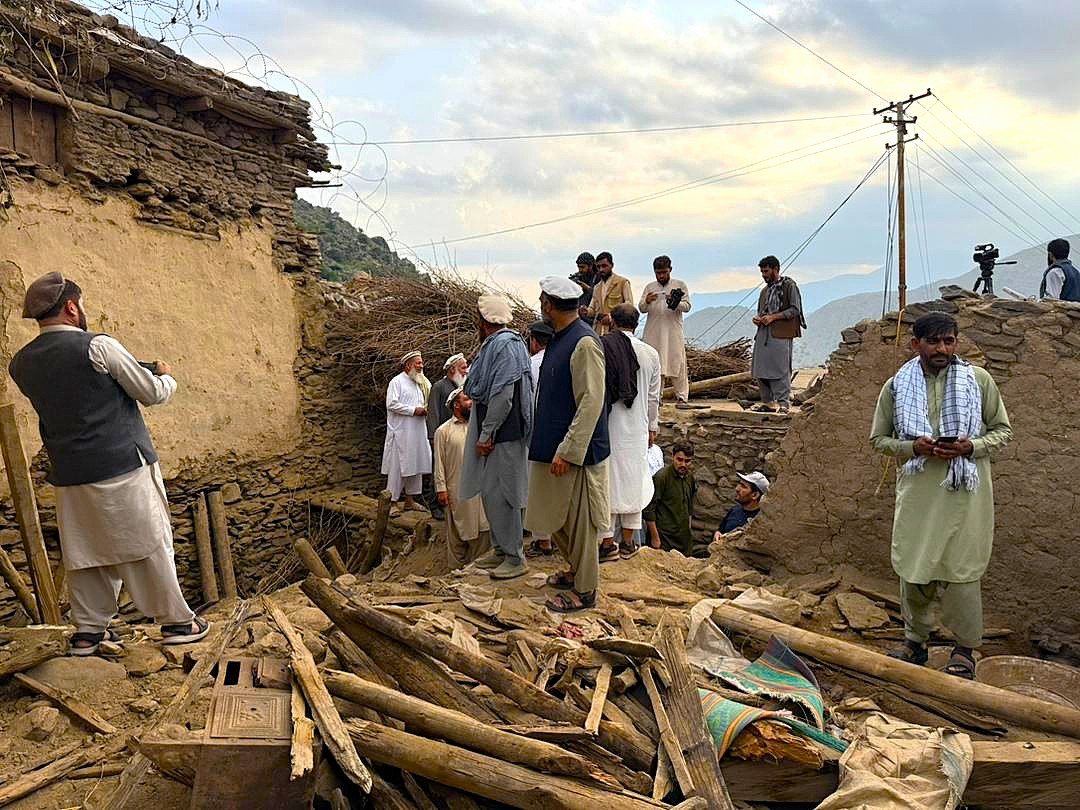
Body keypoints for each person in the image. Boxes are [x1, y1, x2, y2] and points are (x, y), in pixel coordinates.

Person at [8, 272, 207, 656]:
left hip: (69, 473)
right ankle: (179, 622)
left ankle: (89, 632)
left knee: (85, 552)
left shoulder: (21, 364)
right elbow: (148, 393)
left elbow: (70, 393)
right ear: (71, 307)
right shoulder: (99, 346)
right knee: (149, 541)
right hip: (123, 463)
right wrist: (166, 377)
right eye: (80, 304)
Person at [870, 312, 1013, 680]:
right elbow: (879, 440)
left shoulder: (978, 381)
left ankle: (965, 648)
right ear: (914, 344)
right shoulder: (896, 387)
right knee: (914, 569)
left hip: (965, 497)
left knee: (963, 572)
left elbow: (1002, 431)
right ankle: (915, 641)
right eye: (933, 341)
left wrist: (971, 446)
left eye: (949, 341)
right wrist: (912, 447)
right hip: (919, 495)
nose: (942, 349)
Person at [526, 276, 610, 612]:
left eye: (542, 300)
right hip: (553, 447)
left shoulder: (584, 343)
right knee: (555, 517)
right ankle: (576, 571)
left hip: (576, 454)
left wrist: (568, 450)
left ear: (549, 304)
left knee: (579, 523)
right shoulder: (563, 339)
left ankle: (586, 590)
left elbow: (591, 401)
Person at [460, 295, 533, 580]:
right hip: (496, 433)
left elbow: (502, 396)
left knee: (505, 495)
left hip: (504, 433)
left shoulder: (504, 346)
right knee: (491, 493)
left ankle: (515, 557)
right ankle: (501, 549)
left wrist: (487, 433)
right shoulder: (498, 345)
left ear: (484, 321)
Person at [599, 304, 661, 562]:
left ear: (612, 320)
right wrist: (652, 427)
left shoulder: (603, 347)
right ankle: (627, 542)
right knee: (633, 480)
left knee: (608, 479)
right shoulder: (651, 354)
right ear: (637, 323)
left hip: (609, 424)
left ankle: (606, 542)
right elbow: (653, 397)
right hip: (638, 428)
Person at [434, 388, 489, 569]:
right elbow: (439, 462)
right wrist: (441, 488)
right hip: (455, 490)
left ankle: (477, 571)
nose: (471, 403)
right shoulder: (443, 431)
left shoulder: (480, 427)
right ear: (456, 405)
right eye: (467, 399)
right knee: (457, 533)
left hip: (480, 489)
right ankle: (455, 571)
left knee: (483, 527)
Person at [751, 255, 805, 413]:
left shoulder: (789, 286)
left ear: (776, 269)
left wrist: (774, 317)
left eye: (766, 271)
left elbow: (795, 309)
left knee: (780, 369)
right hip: (763, 333)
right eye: (762, 272)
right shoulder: (765, 291)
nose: (764, 275)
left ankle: (783, 403)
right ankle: (767, 402)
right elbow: (762, 311)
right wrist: (759, 319)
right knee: (760, 369)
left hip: (780, 334)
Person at [382, 350, 432, 512]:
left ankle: (410, 500)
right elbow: (391, 404)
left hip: (417, 432)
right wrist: (413, 410)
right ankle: (393, 502)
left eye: (421, 362)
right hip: (402, 433)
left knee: (415, 465)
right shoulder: (397, 382)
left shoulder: (420, 383)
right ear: (408, 365)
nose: (421, 366)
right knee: (398, 467)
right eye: (418, 363)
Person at [640, 255, 692, 406]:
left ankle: (682, 397)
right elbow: (642, 308)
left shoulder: (680, 285)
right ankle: (656, 398)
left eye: (664, 272)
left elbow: (687, 306)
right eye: (658, 273)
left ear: (670, 270)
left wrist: (675, 302)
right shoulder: (650, 287)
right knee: (655, 363)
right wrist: (647, 301)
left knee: (678, 362)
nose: (661, 276)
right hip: (653, 331)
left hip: (673, 331)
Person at [525, 320, 556, 558]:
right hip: (559, 432)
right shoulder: (561, 361)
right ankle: (557, 538)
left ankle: (542, 540)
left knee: (535, 486)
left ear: (534, 342)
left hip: (534, 433)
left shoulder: (530, 365)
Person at [425, 352, 468, 519]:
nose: (466, 370)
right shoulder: (439, 387)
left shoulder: (462, 387)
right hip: (442, 436)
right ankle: (434, 505)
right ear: (452, 370)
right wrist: (432, 437)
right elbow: (433, 412)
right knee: (439, 469)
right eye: (463, 367)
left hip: (458, 435)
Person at [643, 440, 700, 556]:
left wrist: (688, 531)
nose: (683, 464)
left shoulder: (690, 479)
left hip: (683, 538)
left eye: (687, 461)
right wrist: (655, 538)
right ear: (673, 457)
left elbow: (689, 507)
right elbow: (649, 510)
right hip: (664, 538)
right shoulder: (661, 478)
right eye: (679, 460)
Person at [587, 251, 633, 337]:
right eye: (598, 267)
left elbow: (629, 307)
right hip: (599, 330)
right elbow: (592, 309)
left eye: (604, 266)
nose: (601, 269)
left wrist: (611, 317)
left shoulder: (622, 282)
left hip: (617, 330)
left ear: (611, 265)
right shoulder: (597, 287)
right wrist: (585, 311)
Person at [713, 471, 770, 540]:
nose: (737, 488)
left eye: (743, 486)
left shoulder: (762, 519)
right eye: (739, 484)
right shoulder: (735, 510)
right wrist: (717, 534)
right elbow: (720, 530)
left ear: (755, 495)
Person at [573, 252, 599, 327]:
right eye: (579, 267)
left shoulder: (599, 278)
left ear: (591, 266)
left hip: (593, 320)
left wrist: (586, 288)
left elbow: (600, 295)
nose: (580, 270)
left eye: (582, 267)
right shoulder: (579, 277)